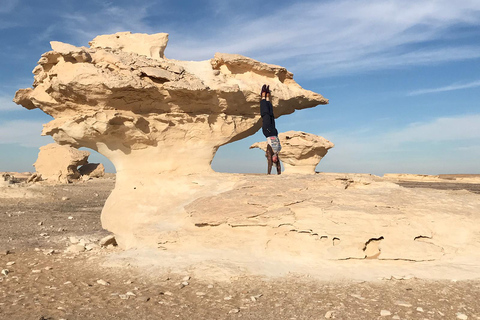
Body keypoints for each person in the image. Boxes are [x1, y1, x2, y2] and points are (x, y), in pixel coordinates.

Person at [260, 85, 281, 174]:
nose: (275, 159)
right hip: (274, 132)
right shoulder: (277, 152)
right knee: (271, 115)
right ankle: (268, 98)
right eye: (276, 160)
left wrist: (269, 173)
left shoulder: (270, 152)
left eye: (274, 161)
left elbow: (270, 164)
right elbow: (279, 166)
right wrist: (279, 173)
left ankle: (263, 96)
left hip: (268, 132)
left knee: (266, 114)